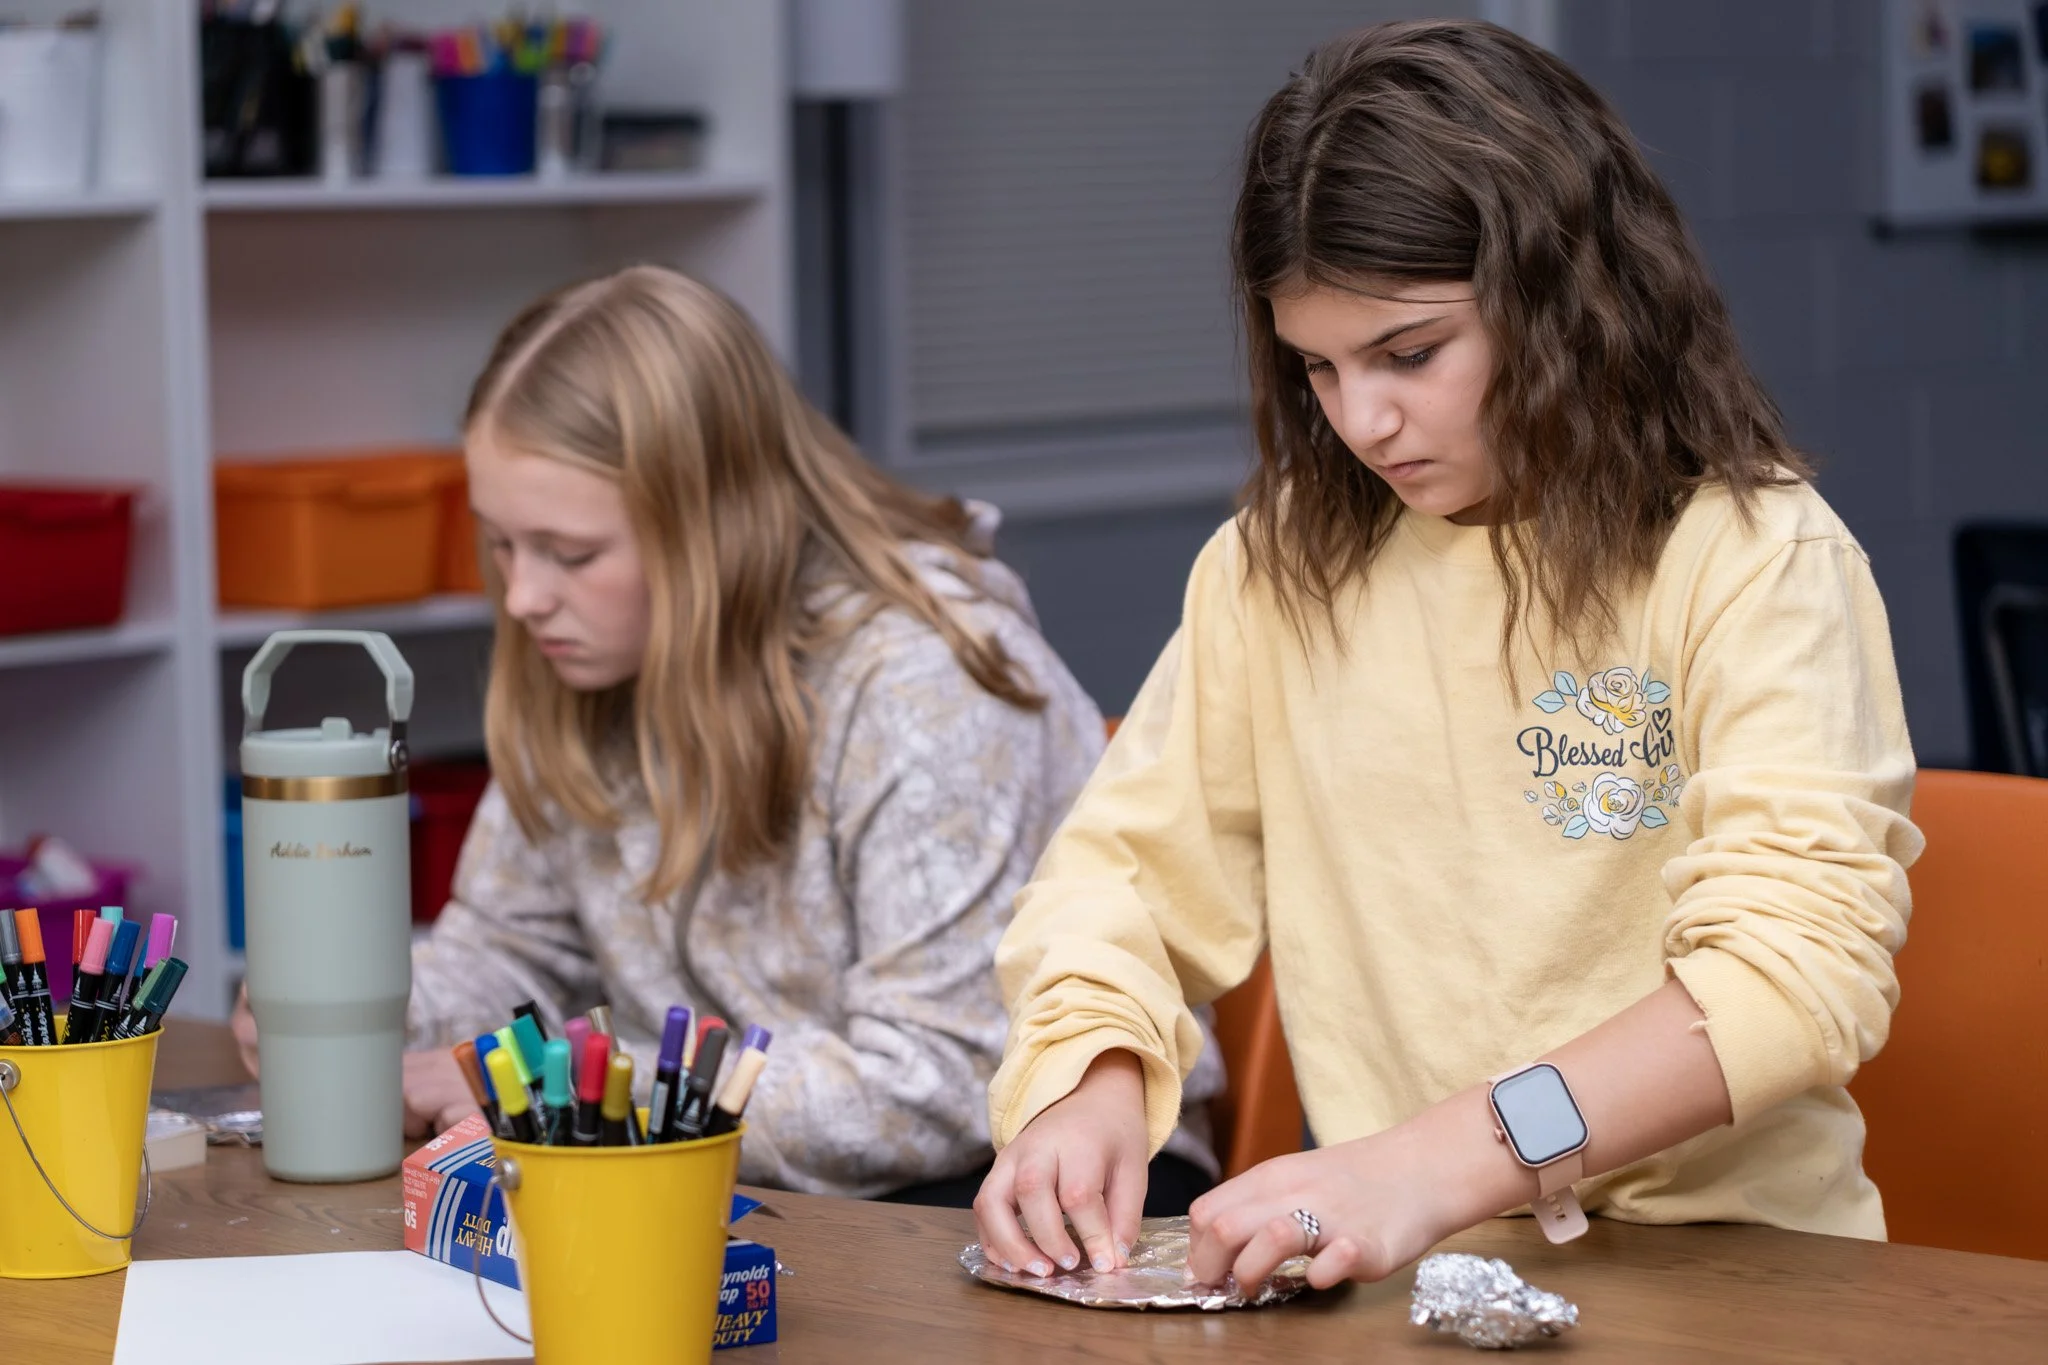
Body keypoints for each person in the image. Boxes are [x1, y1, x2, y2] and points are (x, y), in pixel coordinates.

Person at [974, 20, 1922, 1288]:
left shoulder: (1751, 556)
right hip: (1399, 1275)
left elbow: (1785, 975)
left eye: (1409, 354)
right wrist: (1082, 1082)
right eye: (1315, 365)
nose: (1362, 419)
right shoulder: (1273, 572)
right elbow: (1122, 886)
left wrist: (1429, 1164)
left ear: (1568, 306)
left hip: (1733, 1274)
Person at [233, 265, 1222, 1205]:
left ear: (714, 529)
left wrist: (582, 1091)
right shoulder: (590, 655)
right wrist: (353, 1015)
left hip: (1018, 1192)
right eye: (501, 543)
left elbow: (944, 1078)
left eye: (570, 552)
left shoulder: (926, 687)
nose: (525, 597)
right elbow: (507, 950)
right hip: (742, 1176)